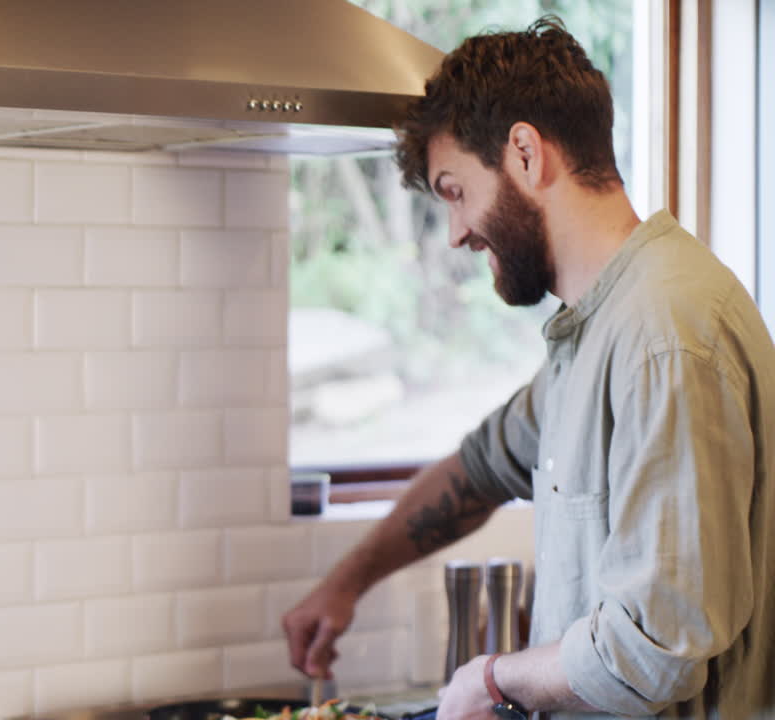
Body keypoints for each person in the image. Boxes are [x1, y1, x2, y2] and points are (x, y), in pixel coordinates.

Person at [283, 16, 775, 720]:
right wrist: (345, 583)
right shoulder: (600, 326)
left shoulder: (665, 331)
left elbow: (655, 649)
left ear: (523, 153)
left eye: (454, 191)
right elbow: (482, 467)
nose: (454, 233)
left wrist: (489, 678)